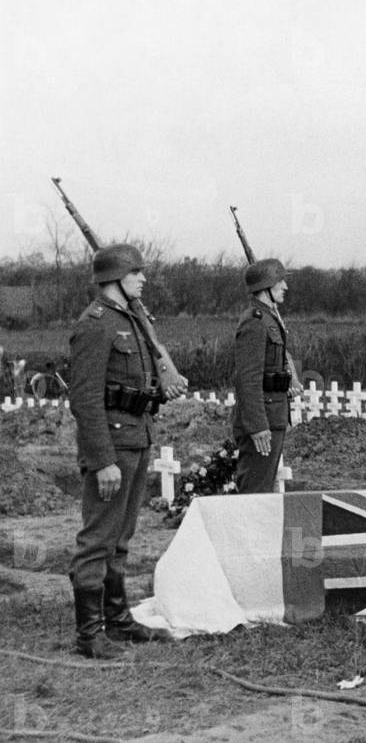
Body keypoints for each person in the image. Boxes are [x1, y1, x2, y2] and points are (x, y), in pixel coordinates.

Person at [68, 244, 175, 658]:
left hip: (136, 437)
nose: (143, 279)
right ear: (115, 278)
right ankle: (89, 634)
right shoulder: (96, 326)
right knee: (98, 538)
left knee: (122, 536)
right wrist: (102, 460)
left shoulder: (130, 320)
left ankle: (117, 619)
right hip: (112, 447)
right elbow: (86, 399)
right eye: (136, 273)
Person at [232, 258, 301, 493]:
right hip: (263, 421)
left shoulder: (270, 318)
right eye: (280, 281)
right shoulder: (255, 321)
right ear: (266, 286)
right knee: (255, 492)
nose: (285, 287)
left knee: (262, 491)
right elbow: (247, 378)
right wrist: (258, 425)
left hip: (274, 415)